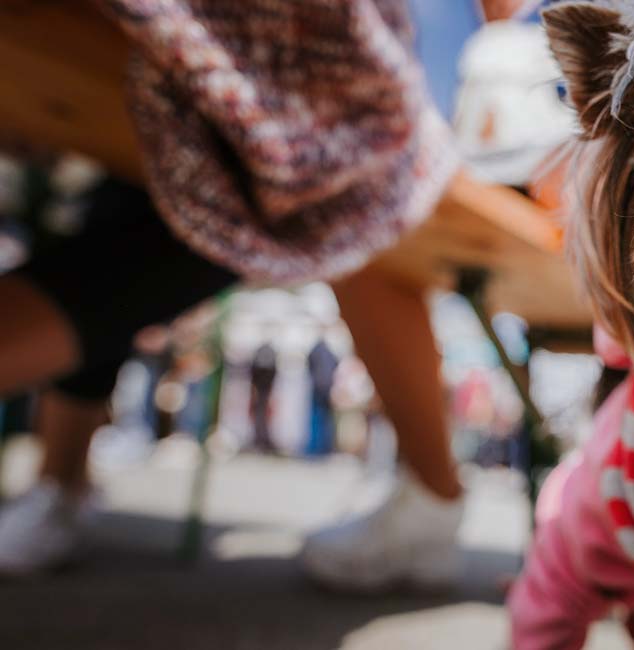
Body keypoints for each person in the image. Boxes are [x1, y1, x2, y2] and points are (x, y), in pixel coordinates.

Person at [0, 0, 535, 582]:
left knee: (336, 200)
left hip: (323, 119)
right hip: (308, 105)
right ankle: (58, 484)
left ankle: (59, 485)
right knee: (170, 200)